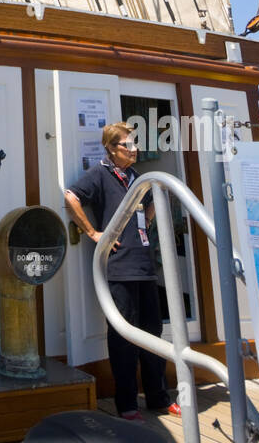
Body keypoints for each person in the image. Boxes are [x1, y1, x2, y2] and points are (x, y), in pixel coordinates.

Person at [64, 121, 180, 423]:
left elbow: (153, 202)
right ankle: (127, 404)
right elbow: (71, 196)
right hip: (118, 268)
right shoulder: (100, 175)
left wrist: (148, 224)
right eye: (127, 145)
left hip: (143, 265)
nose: (134, 149)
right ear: (112, 149)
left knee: (153, 333)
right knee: (123, 338)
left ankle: (158, 397)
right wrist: (92, 232)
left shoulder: (137, 177)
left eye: (135, 143)